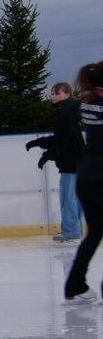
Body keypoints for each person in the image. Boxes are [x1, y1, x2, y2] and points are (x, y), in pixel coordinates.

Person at [26, 82, 85, 243]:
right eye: (53, 93)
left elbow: (62, 142)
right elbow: (61, 138)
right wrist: (38, 142)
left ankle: (72, 233)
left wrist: (46, 156)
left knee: (68, 198)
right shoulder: (69, 112)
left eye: (57, 93)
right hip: (76, 161)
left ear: (66, 94)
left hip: (71, 162)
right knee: (74, 198)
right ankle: (74, 230)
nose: (53, 96)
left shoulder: (66, 113)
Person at [65, 63, 103, 304]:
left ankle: (74, 285)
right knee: (96, 232)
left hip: (87, 178)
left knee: (96, 232)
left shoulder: (87, 103)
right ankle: (75, 284)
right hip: (99, 178)